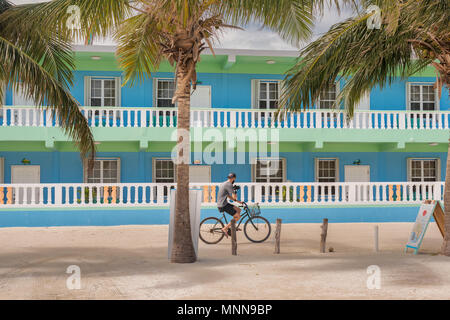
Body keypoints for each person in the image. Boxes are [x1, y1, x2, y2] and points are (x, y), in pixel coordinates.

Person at [217, 172, 243, 237]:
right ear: (234, 178)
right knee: (238, 217)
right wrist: (235, 191)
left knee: (238, 210)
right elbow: (234, 197)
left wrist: (238, 202)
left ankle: (232, 227)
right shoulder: (229, 185)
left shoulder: (224, 183)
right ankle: (225, 228)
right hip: (223, 205)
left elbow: (228, 196)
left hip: (223, 203)